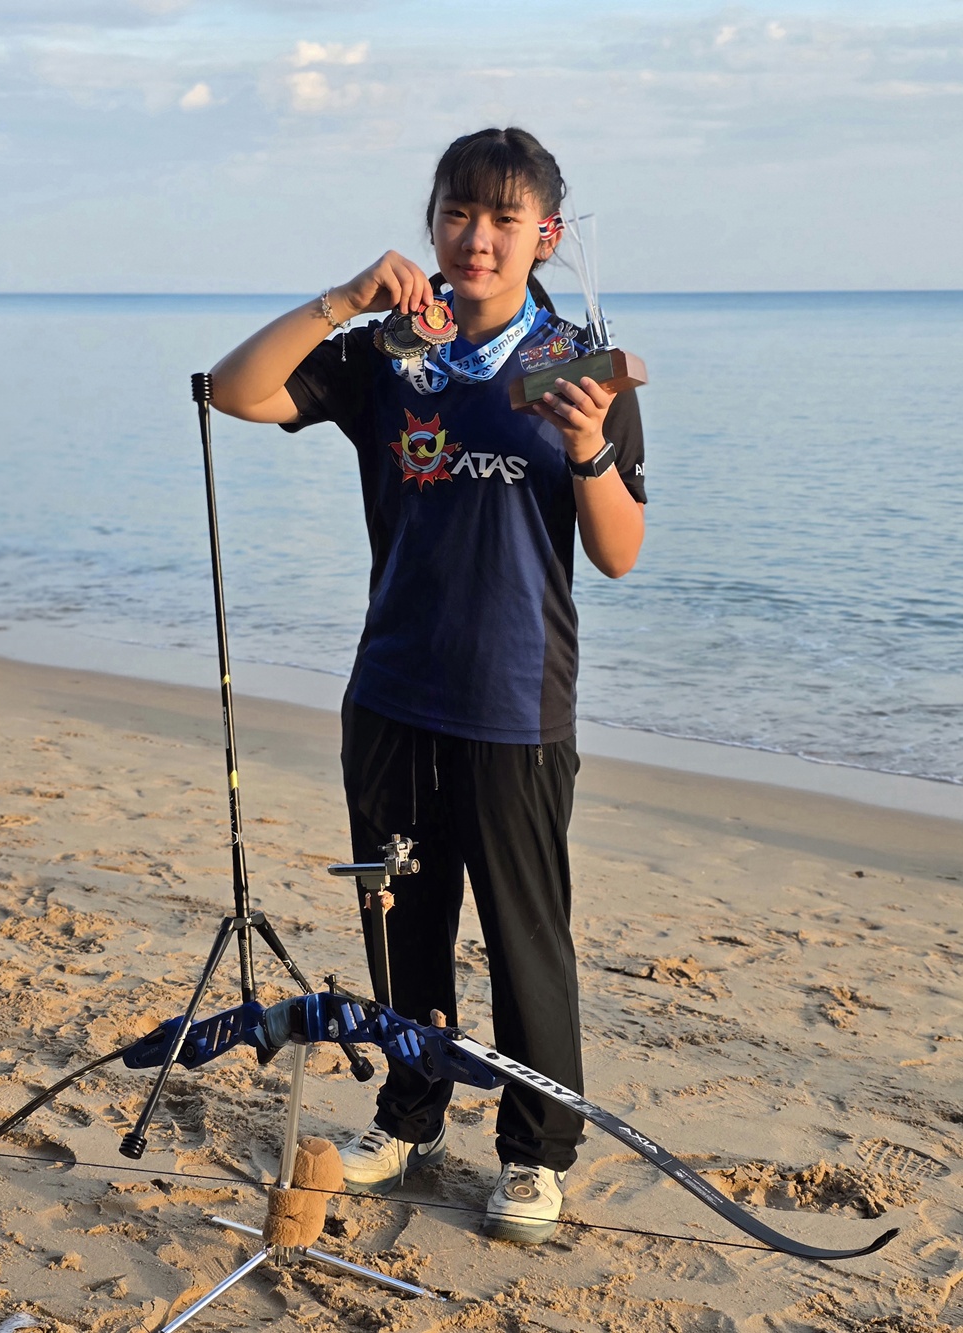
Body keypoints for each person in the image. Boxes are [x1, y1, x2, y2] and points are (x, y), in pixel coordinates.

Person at [211, 126, 646, 1244]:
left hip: (516, 704)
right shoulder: (391, 353)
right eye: (458, 212)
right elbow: (233, 391)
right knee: (402, 927)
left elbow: (619, 552)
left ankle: (536, 1152)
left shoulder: (580, 365)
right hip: (392, 694)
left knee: (525, 937)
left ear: (546, 234)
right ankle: (408, 1120)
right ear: (433, 223)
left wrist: (591, 448)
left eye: (504, 218)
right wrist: (342, 300)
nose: (477, 237)